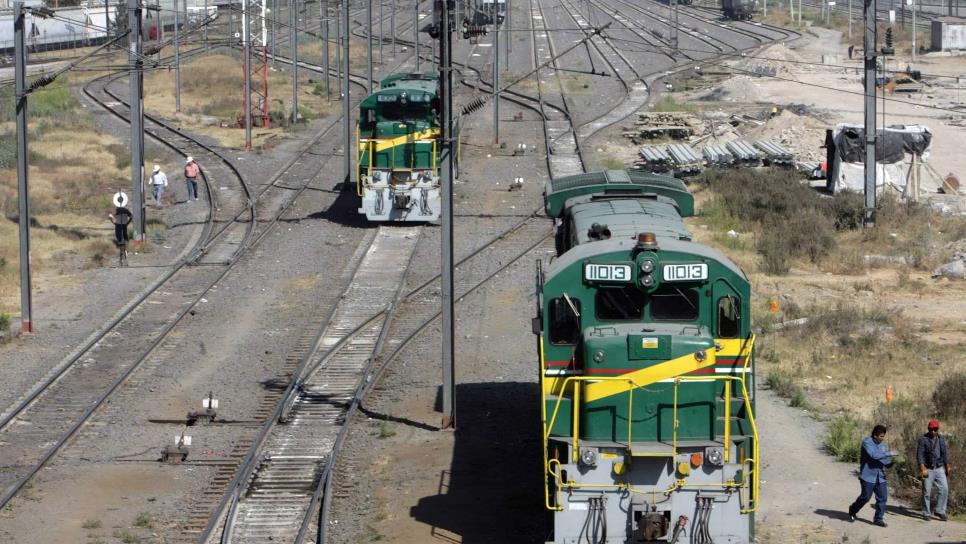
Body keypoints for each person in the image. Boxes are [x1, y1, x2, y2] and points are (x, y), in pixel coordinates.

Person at [848, 424, 898, 527]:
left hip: (880, 476)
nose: (883, 438)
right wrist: (889, 453)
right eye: (881, 436)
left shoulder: (883, 445)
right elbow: (874, 455)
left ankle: (878, 519)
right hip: (868, 475)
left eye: (883, 436)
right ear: (875, 435)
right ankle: (853, 509)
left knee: (882, 498)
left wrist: (892, 462)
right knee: (865, 497)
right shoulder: (867, 442)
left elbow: (884, 459)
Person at [918, 419, 950, 521]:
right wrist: (922, 467)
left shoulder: (941, 439)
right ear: (928, 429)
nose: (933, 431)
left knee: (944, 489)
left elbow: (944, 453)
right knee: (926, 492)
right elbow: (920, 454)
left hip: (939, 467)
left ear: (938, 429)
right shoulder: (923, 439)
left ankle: (940, 510)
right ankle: (926, 513)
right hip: (928, 468)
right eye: (931, 429)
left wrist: (947, 465)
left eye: (935, 429)